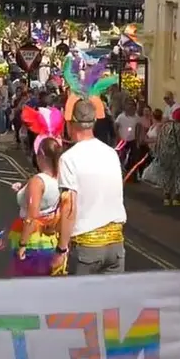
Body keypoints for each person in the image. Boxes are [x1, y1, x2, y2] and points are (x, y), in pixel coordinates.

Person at [58, 99, 127, 275]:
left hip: (87, 248)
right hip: (116, 247)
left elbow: (68, 206)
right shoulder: (111, 154)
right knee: (110, 303)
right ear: (94, 122)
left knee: (81, 302)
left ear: (71, 123)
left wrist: (61, 249)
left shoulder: (68, 159)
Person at [11, 107, 67, 277]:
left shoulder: (38, 181)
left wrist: (22, 244)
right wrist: (23, 189)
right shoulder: (61, 178)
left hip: (34, 243)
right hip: (51, 240)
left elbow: (32, 217)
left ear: (40, 155)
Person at [155, 107, 180, 206]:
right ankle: (177, 197)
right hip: (178, 155)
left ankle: (167, 197)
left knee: (167, 175)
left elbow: (159, 138)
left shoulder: (165, 126)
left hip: (164, 155)